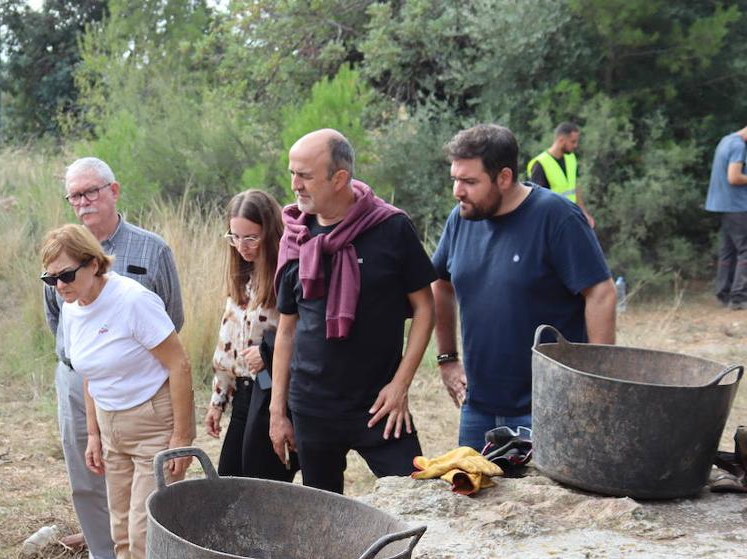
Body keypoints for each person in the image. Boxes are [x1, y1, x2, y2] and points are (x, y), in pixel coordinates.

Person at [40, 224, 194, 559]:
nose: (59, 286)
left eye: (66, 275)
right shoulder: (71, 306)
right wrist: (92, 433)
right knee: (121, 532)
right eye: (50, 279)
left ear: (93, 263)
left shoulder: (133, 301)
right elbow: (87, 373)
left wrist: (181, 436)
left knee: (146, 533)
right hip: (110, 425)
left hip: (153, 423)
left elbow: (179, 365)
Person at [268, 129, 436, 495]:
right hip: (312, 407)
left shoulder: (391, 227)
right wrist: (277, 412)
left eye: (305, 176)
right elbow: (287, 330)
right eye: (292, 173)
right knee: (323, 517)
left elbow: (425, 308)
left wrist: (400, 385)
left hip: (381, 405)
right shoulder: (295, 235)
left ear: (339, 178)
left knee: (419, 500)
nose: (295, 184)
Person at [432, 124, 616, 449]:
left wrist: (596, 382)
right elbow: (440, 284)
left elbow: (600, 292)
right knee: (474, 495)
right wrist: (447, 357)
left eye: (470, 182)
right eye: (455, 179)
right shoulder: (460, 219)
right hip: (477, 407)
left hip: (550, 405)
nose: (457, 191)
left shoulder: (556, 217)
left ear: (503, 177)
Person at [204, 189, 296, 481]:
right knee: (228, 479)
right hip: (243, 393)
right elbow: (227, 344)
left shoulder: (287, 277)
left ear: (269, 234)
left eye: (251, 237)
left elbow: (304, 334)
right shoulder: (241, 278)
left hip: (274, 393)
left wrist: (267, 354)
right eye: (235, 237)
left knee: (262, 482)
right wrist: (218, 401)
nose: (242, 246)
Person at [705, 125, 747, 310]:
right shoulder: (739, 146)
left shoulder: (726, 140)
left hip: (722, 205)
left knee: (728, 251)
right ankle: (738, 298)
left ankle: (724, 294)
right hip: (738, 206)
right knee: (745, 251)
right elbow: (734, 177)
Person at [527, 122, 595, 229]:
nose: (575, 145)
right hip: (554, 223)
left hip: (571, 217)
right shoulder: (540, 164)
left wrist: (583, 213)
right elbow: (537, 201)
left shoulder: (571, 158)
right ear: (561, 140)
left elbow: (575, 187)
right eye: (573, 142)